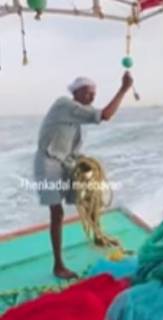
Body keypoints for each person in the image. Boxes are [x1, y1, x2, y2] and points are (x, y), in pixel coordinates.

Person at [34, 73, 133, 279]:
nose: (92, 96)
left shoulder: (77, 121)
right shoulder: (64, 104)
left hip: (65, 163)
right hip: (48, 162)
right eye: (88, 92)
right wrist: (124, 89)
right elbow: (104, 115)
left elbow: (73, 150)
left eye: (94, 93)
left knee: (89, 195)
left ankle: (97, 235)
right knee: (57, 212)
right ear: (76, 92)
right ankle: (58, 265)